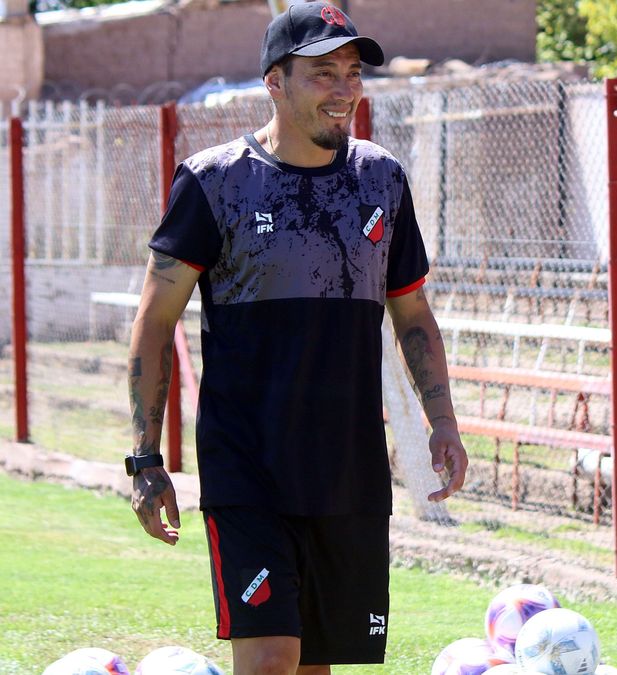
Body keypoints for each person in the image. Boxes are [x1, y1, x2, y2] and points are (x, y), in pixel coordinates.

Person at [125, 3, 468, 672]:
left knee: (314, 664)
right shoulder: (215, 182)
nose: (344, 90)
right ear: (274, 82)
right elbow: (154, 321)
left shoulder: (382, 180)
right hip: (248, 470)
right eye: (323, 74)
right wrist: (144, 458)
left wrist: (441, 420)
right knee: (271, 660)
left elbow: (413, 313)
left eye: (351, 72)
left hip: (348, 473)